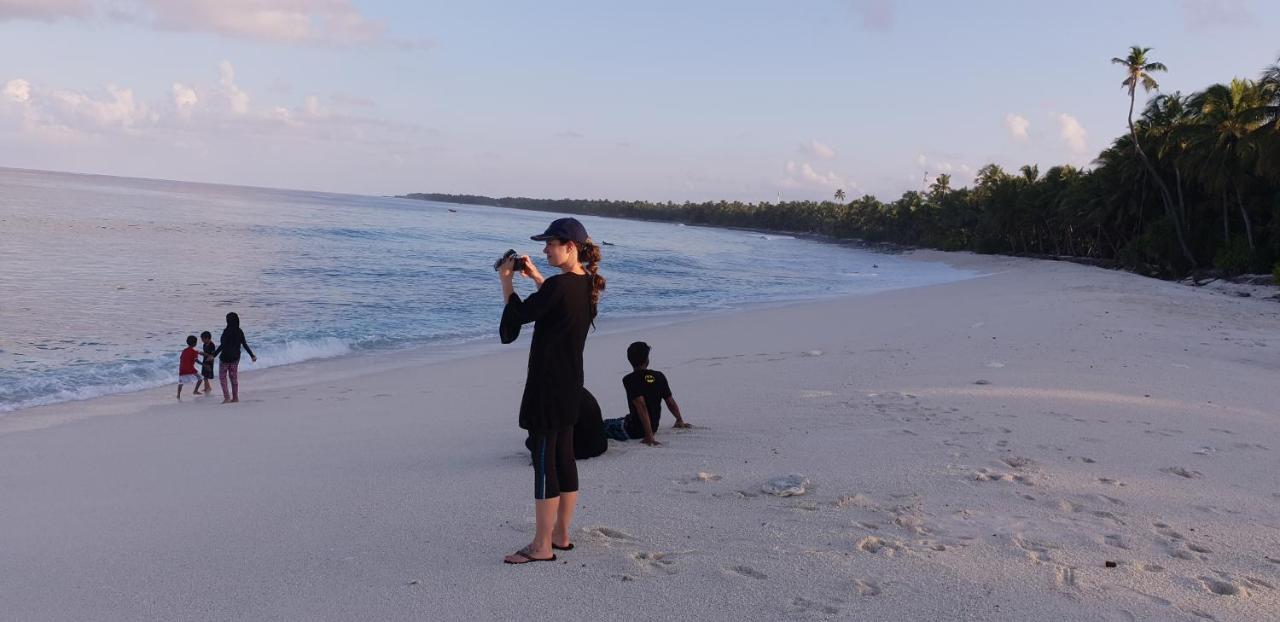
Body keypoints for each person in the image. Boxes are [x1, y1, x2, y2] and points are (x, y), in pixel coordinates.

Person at [497, 217, 605, 565]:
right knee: (564, 458)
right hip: (571, 385)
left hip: (547, 387)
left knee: (544, 463)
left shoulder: (559, 287)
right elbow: (558, 304)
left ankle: (541, 546)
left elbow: (521, 315)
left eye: (550, 244)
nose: (544, 249)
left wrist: (507, 281)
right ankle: (560, 534)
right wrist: (537, 278)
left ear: (570, 247)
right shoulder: (587, 284)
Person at [603, 341, 690, 446]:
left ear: (629, 360)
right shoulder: (659, 376)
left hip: (634, 431)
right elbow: (670, 401)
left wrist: (649, 436)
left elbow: (641, 406)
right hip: (653, 426)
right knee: (620, 419)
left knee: (602, 425)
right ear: (647, 360)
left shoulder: (629, 379)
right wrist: (679, 420)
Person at [211, 312, 257, 404]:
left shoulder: (226, 331)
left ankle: (227, 398)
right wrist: (252, 355)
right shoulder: (239, 331)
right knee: (233, 378)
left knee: (223, 378)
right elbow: (244, 344)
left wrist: (214, 355)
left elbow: (222, 345)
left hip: (225, 358)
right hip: (235, 357)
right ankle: (235, 397)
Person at [177, 335, 201, 401]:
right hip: (190, 369)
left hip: (182, 369)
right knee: (200, 378)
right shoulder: (194, 352)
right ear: (194, 343)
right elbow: (196, 360)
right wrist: (203, 364)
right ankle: (195, 391)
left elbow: (181, 358)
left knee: (180, 383)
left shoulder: (184, 350)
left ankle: (178, 395)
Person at [193, 331, 216, 396]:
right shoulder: (204, 344)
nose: (202, 341)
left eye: (203, 339)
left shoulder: (212, 345)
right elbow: (206, 354)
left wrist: (202, 353)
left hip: (210, 362)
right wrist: (202, 353)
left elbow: (212, 355)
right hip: (205, 361)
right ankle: (207, 387)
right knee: (204, 375)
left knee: (206, 376)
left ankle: (207, 388)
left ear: (208, 338)